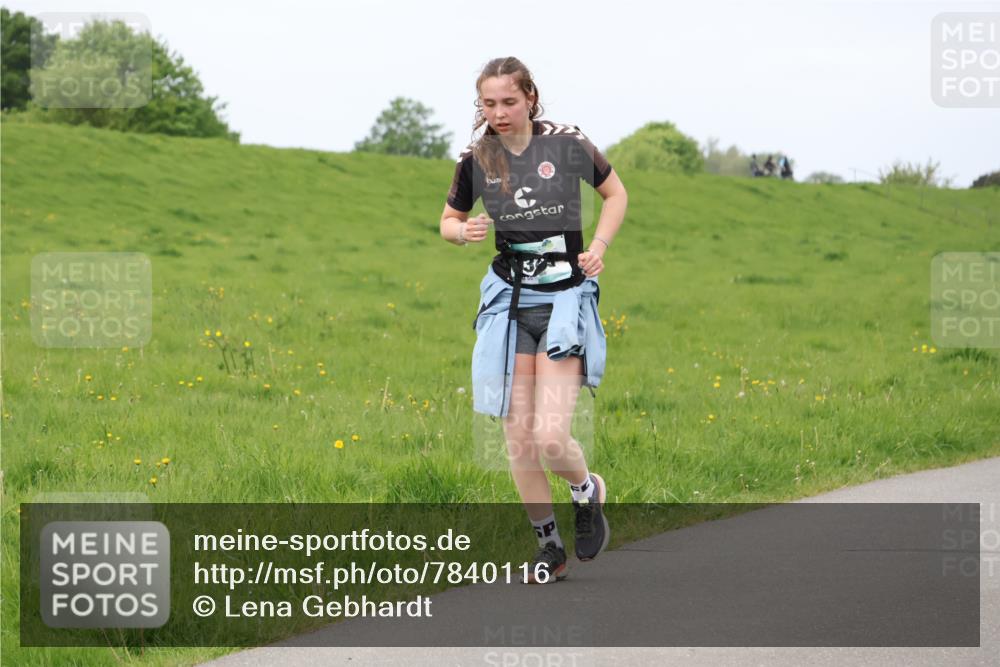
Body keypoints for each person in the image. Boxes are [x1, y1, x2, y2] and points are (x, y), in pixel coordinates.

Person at [439, 57, 628, 584]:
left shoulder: (566, 144)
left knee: (549, 436)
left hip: (565, 300)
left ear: (531, 99)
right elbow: (447, 222)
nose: (499, 112)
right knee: (517, 437)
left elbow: (615, 194)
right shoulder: (477, 158)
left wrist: (598, 247)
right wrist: (463, 233)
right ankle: (549, 547)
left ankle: (586, 489)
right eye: (488, 103)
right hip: (510, 304)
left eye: (509, 101)